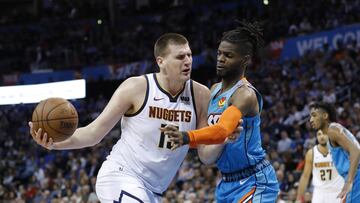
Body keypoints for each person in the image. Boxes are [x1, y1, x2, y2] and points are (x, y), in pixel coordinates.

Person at [29, 33, 240, 202]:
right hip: (121, 176)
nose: (188, 61)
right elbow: (94, 133)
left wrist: (223, 136)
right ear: (161, 61)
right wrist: (55, 144)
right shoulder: (136, 87)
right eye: (180, 56)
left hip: (154, 192)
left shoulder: (200, 94)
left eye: (189, 55)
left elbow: (205, 155)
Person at [162, 21, 279, 203]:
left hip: (254, 180)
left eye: (228, 55)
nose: (221, 59)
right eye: (219, 53)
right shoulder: (214, 90)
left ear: (245, 60)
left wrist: (186, 137)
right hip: (226, 183)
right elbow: (207, 141)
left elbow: (222, 130)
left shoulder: (245, 94)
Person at [309, 102, 360, 203]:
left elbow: (356, 151)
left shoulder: (332, 130)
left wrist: (349, 182)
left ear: (325, 116)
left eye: (314, 115)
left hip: (356, 177)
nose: (311, 120)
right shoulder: (335, 129)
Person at [296, 130, 344, 203]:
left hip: (337, 191)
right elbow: (305, 176)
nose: (321, 137)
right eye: (319, 134)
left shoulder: (339, 151)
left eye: (324, 134)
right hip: (319, 193)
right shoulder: (311, 153)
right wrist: (299, 198)